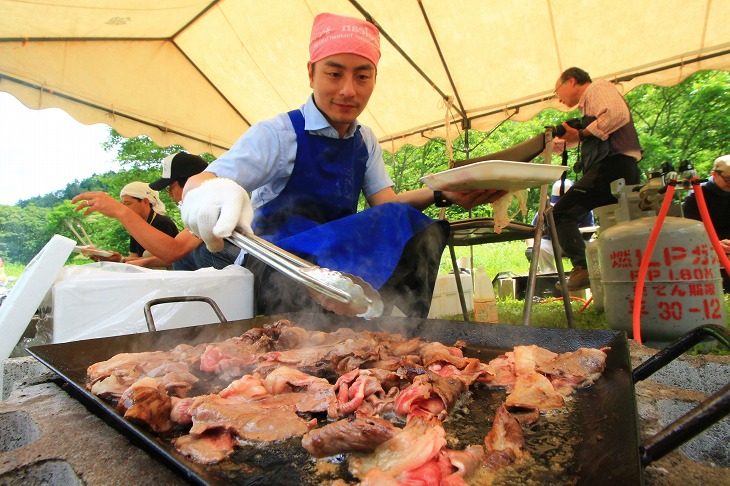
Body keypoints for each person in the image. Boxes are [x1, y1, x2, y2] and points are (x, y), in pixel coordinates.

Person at [179, 13, 505, 318]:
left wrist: (441, 193)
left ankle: (400, 327)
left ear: (375, 78)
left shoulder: (364, 140)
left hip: (340, 266)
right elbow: (200, 184)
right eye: (334, 74)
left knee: (413, 225)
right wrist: (208, 196)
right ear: (311, 73)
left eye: (362, 76)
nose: (348, 91)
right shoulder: (276, 135)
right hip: (280, 269)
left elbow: (387, 206)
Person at [551, 67, 643, 290]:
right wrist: (560, 138)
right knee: (617, 230)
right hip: (619, 166)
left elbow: (617, 115)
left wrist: (581, 133)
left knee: (560, 213)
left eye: (557, 91)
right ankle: (625, 284)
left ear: (571, 81)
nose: (558, 99)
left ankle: (582, 268)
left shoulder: (597, 88)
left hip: (613, 165)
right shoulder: (590, 110)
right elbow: (575, 141)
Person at [72, 152, 243, 270]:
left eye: (171, 187)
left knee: (203, 250)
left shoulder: (214, 206)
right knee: (187, 254)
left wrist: (120, 211)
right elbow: (175, 253)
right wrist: (123, 261)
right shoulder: (200, 213)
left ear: (191, 182)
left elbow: (172, 251)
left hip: (256, 275)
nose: (169, 195)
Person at [89, 181, 179, 268]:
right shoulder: (135, 226)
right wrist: (119, 259)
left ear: (145, 202)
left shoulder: (163, 223)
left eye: (128, 203)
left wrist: (141, 262)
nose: (125, 208)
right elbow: (135, 257)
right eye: (123, 204)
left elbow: (174, 257)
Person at [525, 179, 594, 274]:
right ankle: (549, 275)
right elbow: (532, 232)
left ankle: (588, 273)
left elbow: (589, 233)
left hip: (578, 244)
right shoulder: (546, 211)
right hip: (553, 244)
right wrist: (530, 247)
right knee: (541, 247)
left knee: (594, 247)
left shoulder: (584, 210)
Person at [682, 154, 730, 292]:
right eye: (728, 179)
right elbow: (692, 232)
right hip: (707, 253)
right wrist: (715, 245)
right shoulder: (696, 196)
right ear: (714, 174)